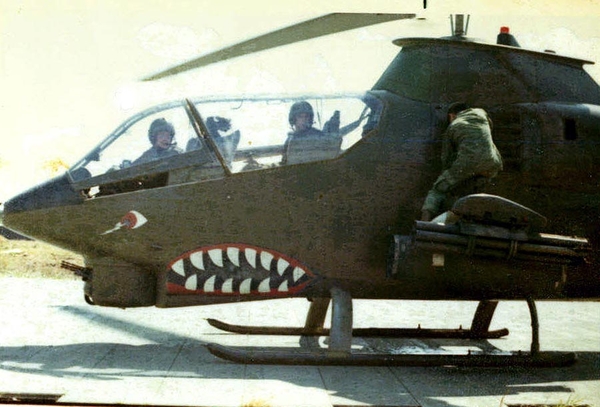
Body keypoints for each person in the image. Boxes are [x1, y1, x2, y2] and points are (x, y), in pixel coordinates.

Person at [421, 102, 503, 221]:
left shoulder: (453, 126)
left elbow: (446, 158)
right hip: (493, 164)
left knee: (437, 190)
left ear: (451, 116)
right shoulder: (481, 114)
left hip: (467, 164)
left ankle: (425, 223)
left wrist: (446, 177)